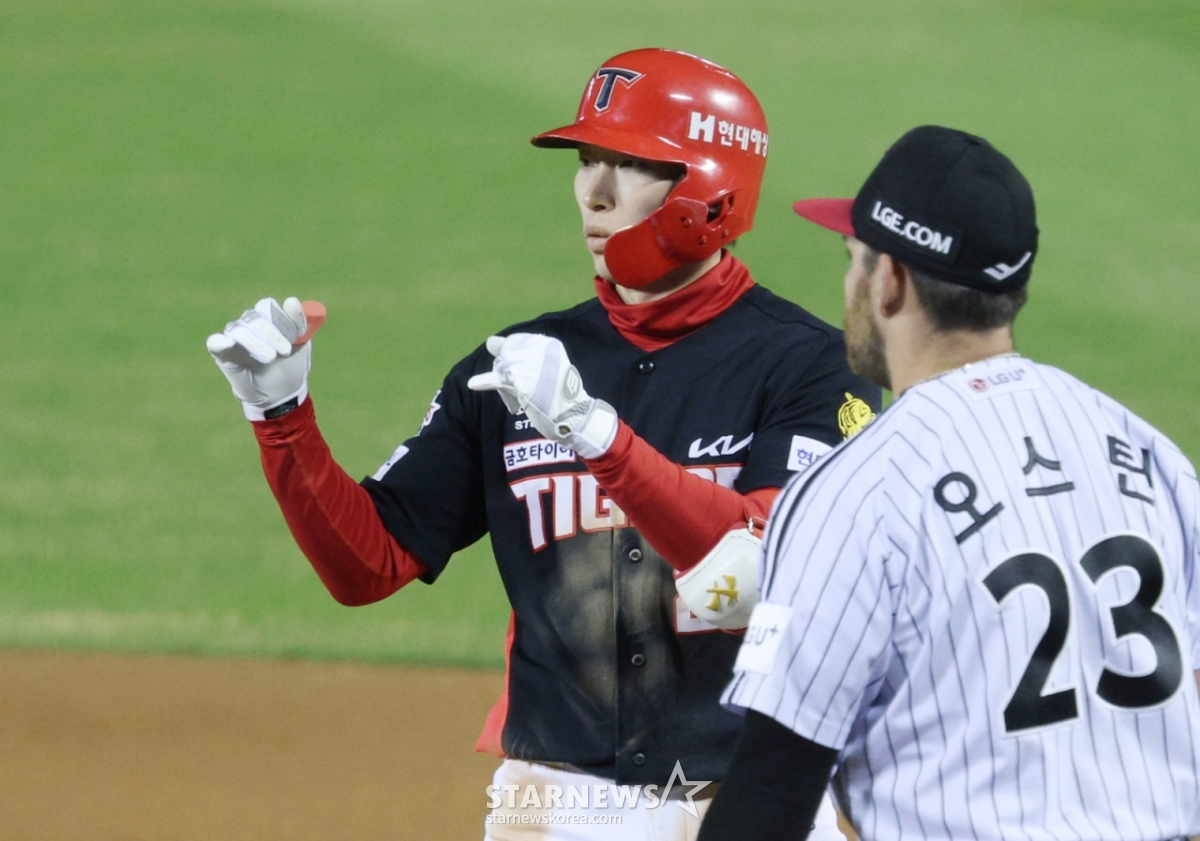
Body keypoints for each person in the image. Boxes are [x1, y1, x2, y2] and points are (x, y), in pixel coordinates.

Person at [207, 48, 879, 840]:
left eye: (627, 165)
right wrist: (281, 414)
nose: (591, 193)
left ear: (709, 184)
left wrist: (597, 438)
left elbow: (760, 562)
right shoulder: (519, 367)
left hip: (753, 798)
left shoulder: (812, 366)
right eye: (588, 160)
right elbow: (368, 563)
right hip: (554, 802)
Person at [698, 125, 1200, 841]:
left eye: (854, 261)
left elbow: (772, 788)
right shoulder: (1147, 451)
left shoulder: (858, 488)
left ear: (891, 281)